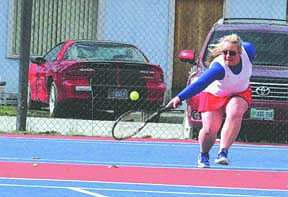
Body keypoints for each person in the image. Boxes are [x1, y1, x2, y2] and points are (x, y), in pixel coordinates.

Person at [167, 34, 255, 168]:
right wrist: (179, 98)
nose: (227, 56)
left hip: (239, 92)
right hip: (214, 93)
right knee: (209, 130)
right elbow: (199, 84)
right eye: (225, 52)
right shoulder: (218, 68)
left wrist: (232, 39)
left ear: (240, 52)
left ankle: (223, 152)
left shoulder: (249, 51)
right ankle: (204, 154)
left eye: (232, 53)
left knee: (235, 111)